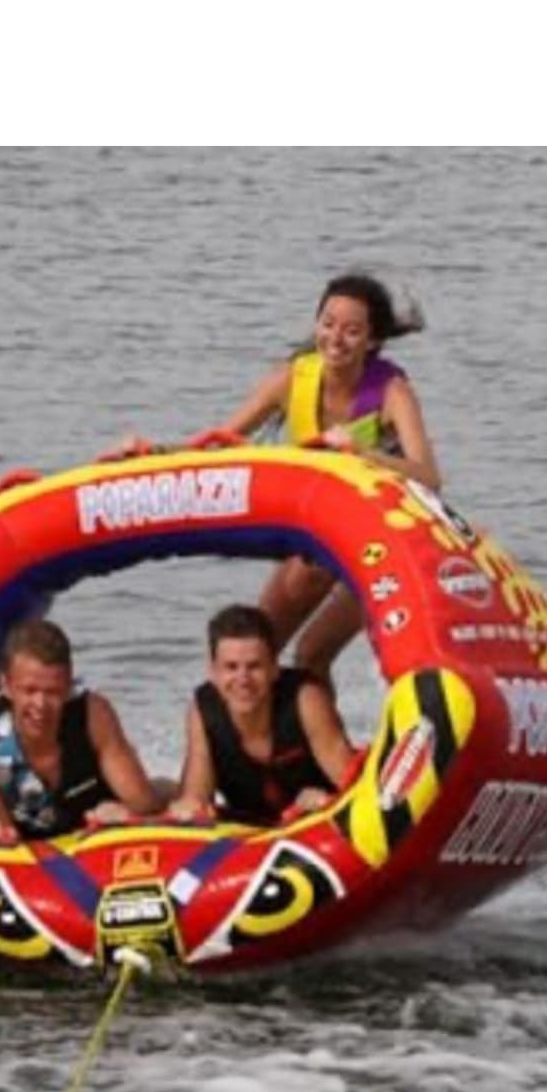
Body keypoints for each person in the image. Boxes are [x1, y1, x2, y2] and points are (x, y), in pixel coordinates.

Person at [217, 273, 442, 679]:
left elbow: (428, 477)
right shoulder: (291, 379)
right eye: (328, 324)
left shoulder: (392, 392)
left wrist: (363, 456)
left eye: (352, 330)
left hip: (381, 546)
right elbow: (222, 441)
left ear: (372, 341)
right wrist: (149, 453)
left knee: (311, 653)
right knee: (259, 651)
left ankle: (327, 741)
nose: (336, 338)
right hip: (318, 536)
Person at [0, 619, 160, 843]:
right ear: (5, 686)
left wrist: (122, 812)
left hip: (99, 838)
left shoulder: (93, 713)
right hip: (37, 851)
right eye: (29, 690)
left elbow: (145, 804)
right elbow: (2, 833)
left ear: (69, 687)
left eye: (52, 692)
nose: (40, 704)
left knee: (164, 792)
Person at [171, 604, 356, 826]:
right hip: (250, 832)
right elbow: (195, 800)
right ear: (213, 673)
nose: (243, 680)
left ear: (274, 669)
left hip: (317, 822)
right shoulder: (203, 711)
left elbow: (352, 786)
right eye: (231, 667)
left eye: (254, 666)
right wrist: (188, 808)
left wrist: (327, 801)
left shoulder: (306, 699)